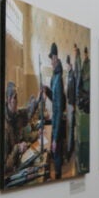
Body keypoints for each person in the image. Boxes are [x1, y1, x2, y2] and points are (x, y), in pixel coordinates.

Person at [3, 81, 39, 179]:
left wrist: (37, 102)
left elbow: (27, 113)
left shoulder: (15, 115)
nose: (17, 101)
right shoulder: (5, 128)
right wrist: (18, 148)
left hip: (19, 163)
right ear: (8, 100)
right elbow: (5, 166)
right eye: (15, 97)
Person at [40, 42, 64, 179]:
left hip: (57, 122)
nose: (51, 62)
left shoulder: (58, 79)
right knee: (55, 154)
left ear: (55, 57)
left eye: (51, 59)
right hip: (55, 121)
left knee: (57, 152)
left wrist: (54, 137)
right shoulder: (55, 76)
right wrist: (46, 90)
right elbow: (55, 99)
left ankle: (58, 177)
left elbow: (59, 110)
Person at [76, 45, 90, 174]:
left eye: (86, 53)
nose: (85, 55)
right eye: (84, 53)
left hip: (88, 95)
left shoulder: (89, 65)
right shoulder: (83, 65)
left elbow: (86, 78)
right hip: (83, 94)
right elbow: (81, 79)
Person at [65, 54, 76, 162]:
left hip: (73, 105)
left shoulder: (73, 75)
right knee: (70, 127)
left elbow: (73, 90)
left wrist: (73, 105)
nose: (67, 66)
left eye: (68, 64)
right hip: (69, 104)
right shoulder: (68, 74)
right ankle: (69, 149)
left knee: (72, 128)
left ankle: (69, 152)